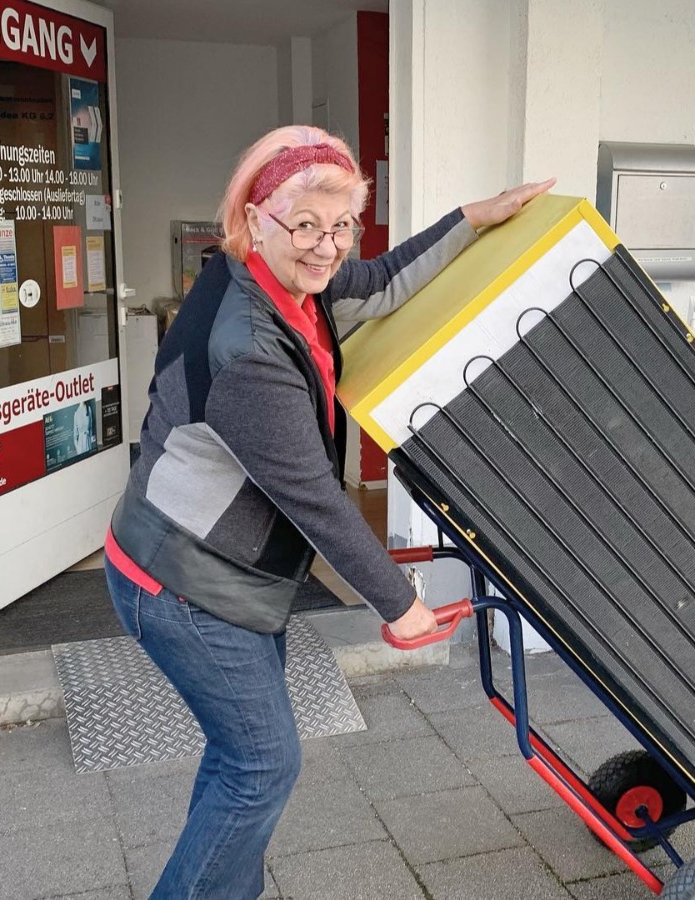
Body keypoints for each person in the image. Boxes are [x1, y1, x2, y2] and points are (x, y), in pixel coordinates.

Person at [103, 123, 552, 899]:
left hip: (221, 574)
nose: (328, 247)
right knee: (260, 765)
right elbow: (313, 496)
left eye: (342, 225)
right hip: (182, 583)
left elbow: (377, 280)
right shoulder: (247, 349)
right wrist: (400, 603)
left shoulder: (281, 283)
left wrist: (472, 219)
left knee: (243, 760)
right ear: (254, 219)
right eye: (306, 225)